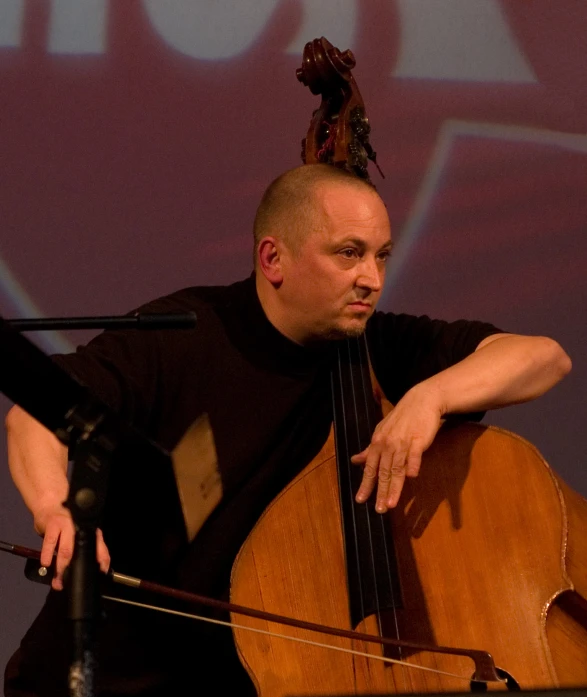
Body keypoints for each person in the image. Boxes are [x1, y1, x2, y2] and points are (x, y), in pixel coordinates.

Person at [4, 164, 571, 696]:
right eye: (348, 254)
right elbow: (35, 412)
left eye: (381, 256)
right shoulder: (182, 335)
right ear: (273, 259)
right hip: (103, 676)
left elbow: (542, 357)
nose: (371, 279)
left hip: (244, 681)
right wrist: (56, 510)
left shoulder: (377, 348)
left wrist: (431, 397)